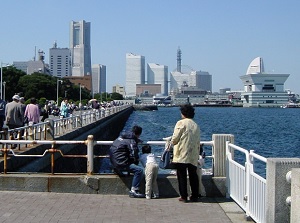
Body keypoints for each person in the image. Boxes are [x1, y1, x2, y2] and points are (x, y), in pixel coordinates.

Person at [170, 104, 200, 202]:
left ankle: (184, 196)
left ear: (183, 113)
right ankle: (194, 195)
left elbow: (175, 139)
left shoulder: (181, 123)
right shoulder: (196, 125)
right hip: (193, 154)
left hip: (182, 153)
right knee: (193, 175)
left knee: (181, 175)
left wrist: (171, 142)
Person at [109, 125, 145, 198]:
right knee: (139, 170)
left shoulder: (122, 137)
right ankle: (134, 190)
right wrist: (136, 161)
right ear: (138, 134)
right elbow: (134, 153)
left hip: (113, 162)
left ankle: (116, 170)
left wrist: (137, 140)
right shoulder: (132, 141)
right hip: (121, 163)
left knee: (122, 160)